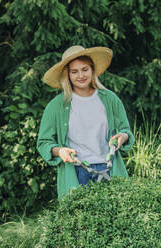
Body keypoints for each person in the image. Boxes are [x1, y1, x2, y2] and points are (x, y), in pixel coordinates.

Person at [36, 45, 134, 199]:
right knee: (78, 221)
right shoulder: (56, 106)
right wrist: (60, 151)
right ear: (67, 74)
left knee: (116, 219)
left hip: (109, 169)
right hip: (76, 173)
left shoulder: (110, 99)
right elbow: (43, 142)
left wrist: (122, 136)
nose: (80, 75)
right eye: (74, 72)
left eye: (85, 69)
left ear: (92, 70)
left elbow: (126, 130)